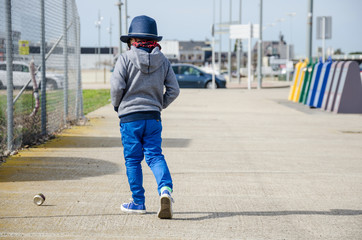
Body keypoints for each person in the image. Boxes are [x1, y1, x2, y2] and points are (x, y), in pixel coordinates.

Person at [110, 15, 180, 219]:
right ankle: (165, 190)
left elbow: (116, 87)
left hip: (130, 118)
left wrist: (118, 106)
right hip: (153, 117)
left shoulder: (124, 58)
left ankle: (138, 202)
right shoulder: (163, 60)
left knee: (133, 160)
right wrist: (159, 104)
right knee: (155, 155)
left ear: (133, 40)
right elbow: (174, 90)